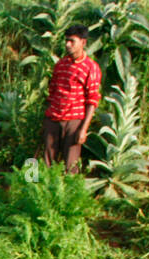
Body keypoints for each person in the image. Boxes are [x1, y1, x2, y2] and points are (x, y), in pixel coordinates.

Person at [42, 25, 101, 176]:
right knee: (46, 161)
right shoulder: (60, 65)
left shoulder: (91, 68)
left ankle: (69, 196)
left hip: (74, 122)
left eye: (72, 41)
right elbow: (53, 92)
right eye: (66, 41)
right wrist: (47, 118)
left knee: (71, 165)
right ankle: (39, 192)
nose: (67, 45)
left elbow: (92, 101)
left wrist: (83, 129)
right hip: (53, 118)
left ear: (83, 42)